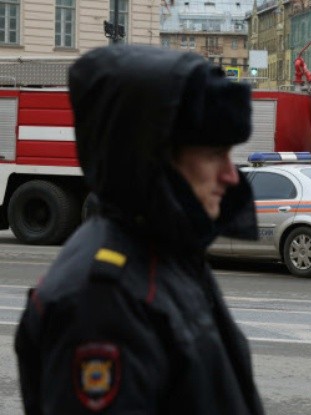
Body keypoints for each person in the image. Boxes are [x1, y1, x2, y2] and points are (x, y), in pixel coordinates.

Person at [14, 45, 265, 414]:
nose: (231, 175)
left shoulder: (167, 254)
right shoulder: (102, 301)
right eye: (214, 155)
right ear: (155, 161)